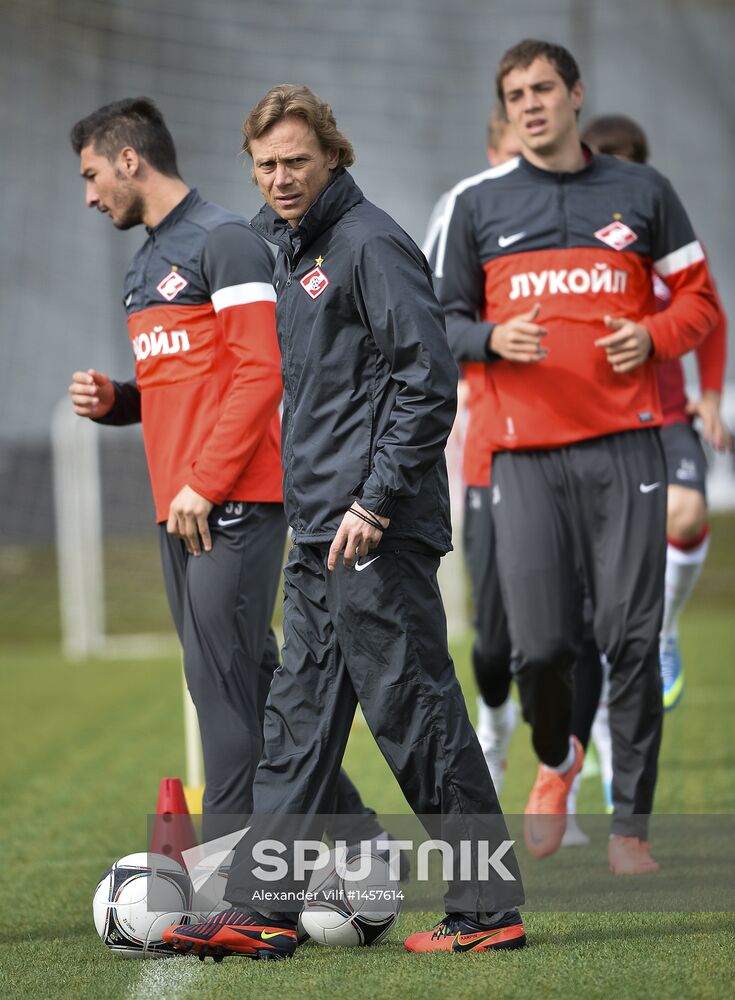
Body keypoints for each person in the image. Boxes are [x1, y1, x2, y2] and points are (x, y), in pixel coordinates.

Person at [163, 84, 526, 961]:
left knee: (416, 712)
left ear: (333, 155)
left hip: (375, 529)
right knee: (294, 722)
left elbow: (425, 382)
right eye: (265, 165)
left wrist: (375, 500)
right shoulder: (288, 252)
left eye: (296, 160)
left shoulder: (369, 244)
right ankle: (262, 909)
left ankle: (488, 910)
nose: (280, 178)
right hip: (319, 530)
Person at [434, 40, 719, 874]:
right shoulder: (476, 203)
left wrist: (654, 335)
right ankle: (555, 760)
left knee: (629, 638)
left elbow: (700, 303)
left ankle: (630, 829)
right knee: (540, 648)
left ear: (574, 94)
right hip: (522, 458)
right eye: (514, 94)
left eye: (542, 88)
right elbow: (440, 322)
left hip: (626, 448)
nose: (529, 103)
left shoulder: (642, 192)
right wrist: (491, 338)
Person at [68, 97, 385, 839]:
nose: (89, 196)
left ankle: (231, 872)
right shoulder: (145, 261)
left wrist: (206, 483)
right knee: (249, 684)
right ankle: (359, 837)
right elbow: (184, 384)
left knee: (219, 689)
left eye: (91, 175)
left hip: (230, 500)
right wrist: (118, 401)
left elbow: (259, 372)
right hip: (181, 507)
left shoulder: (224, 241)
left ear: (128, 160)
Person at [424, 108, 603, 831]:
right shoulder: (463, 212)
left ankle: (563, 783)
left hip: (582, 459)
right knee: (496, 643)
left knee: (573, 633)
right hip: (490, 459)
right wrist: (488, 344)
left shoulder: (581, 216)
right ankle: (495, 731)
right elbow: (434, 323)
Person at [581, 114, 731, 711]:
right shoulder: (574, 240)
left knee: (687, 513)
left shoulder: (666, 237)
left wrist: (711, 395)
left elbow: (709, 314)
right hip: (595, 421)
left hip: (666, 414)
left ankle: (662, 634)